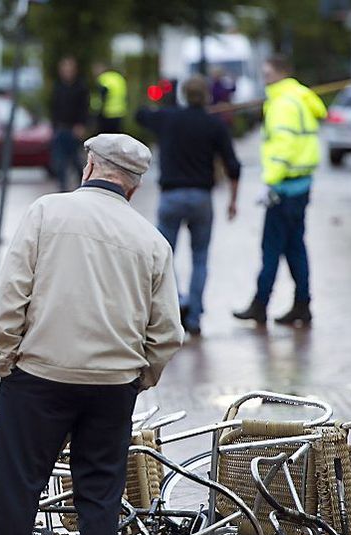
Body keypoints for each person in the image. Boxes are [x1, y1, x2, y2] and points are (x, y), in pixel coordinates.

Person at [0, 134, 183, 535]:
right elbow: (167, 331)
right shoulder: (152, 240)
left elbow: (12, 293)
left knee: (16, 486)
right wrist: (137, 377)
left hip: (39, 375)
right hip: (112, 385)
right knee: (100, 495)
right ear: (134, 184)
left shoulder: (47, 213)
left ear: (90, 166)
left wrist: (5, 357)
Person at [137, 75, 241, 337]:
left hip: (171, 197)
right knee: (200, 257)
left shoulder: (168, 119)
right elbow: (233, 165)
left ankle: (175, 306)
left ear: (184, 95)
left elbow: (140, 115)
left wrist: (158, 101)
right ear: (206, 96)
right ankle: (194, 315)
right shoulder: (213, 124)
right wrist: (233, 201)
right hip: (201, 198)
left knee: (164, 257)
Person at [233, 54, 326, 326]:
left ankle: (260, 304)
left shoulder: (283, 104)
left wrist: (270, 183)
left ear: (281, 73)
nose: (265, 79)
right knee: (296, 247)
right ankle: (302, 304)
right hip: (301, 185)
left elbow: (283, 146)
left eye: (268, 73)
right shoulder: (300, 97)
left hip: (284, 188)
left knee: (271, 248)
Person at [49, 56, 89, 191]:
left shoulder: (81, 88)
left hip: (73, 129)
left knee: (76, 161)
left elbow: (84, 108)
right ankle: (62, 189)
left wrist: (81, 125)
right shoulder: (58, 87)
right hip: (60, 128)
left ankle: (81, 187)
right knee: (60, 163)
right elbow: (54, 108)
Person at [91, 62, 128, 134]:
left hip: (106, 115)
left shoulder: (103, 78)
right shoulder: (119, 78)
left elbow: (102, 96)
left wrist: (96, 112)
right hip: (119, 113)